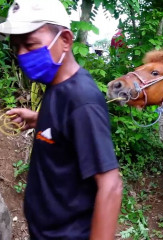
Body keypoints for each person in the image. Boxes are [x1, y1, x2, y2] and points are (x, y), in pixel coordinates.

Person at [0, 0, 123, 239]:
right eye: (17, 47)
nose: (22, 54)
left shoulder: (82, 100)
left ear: (65, 40)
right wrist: (39, 119)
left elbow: (111, 187)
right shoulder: (57, 84)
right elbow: (69, 127)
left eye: (30, 44)